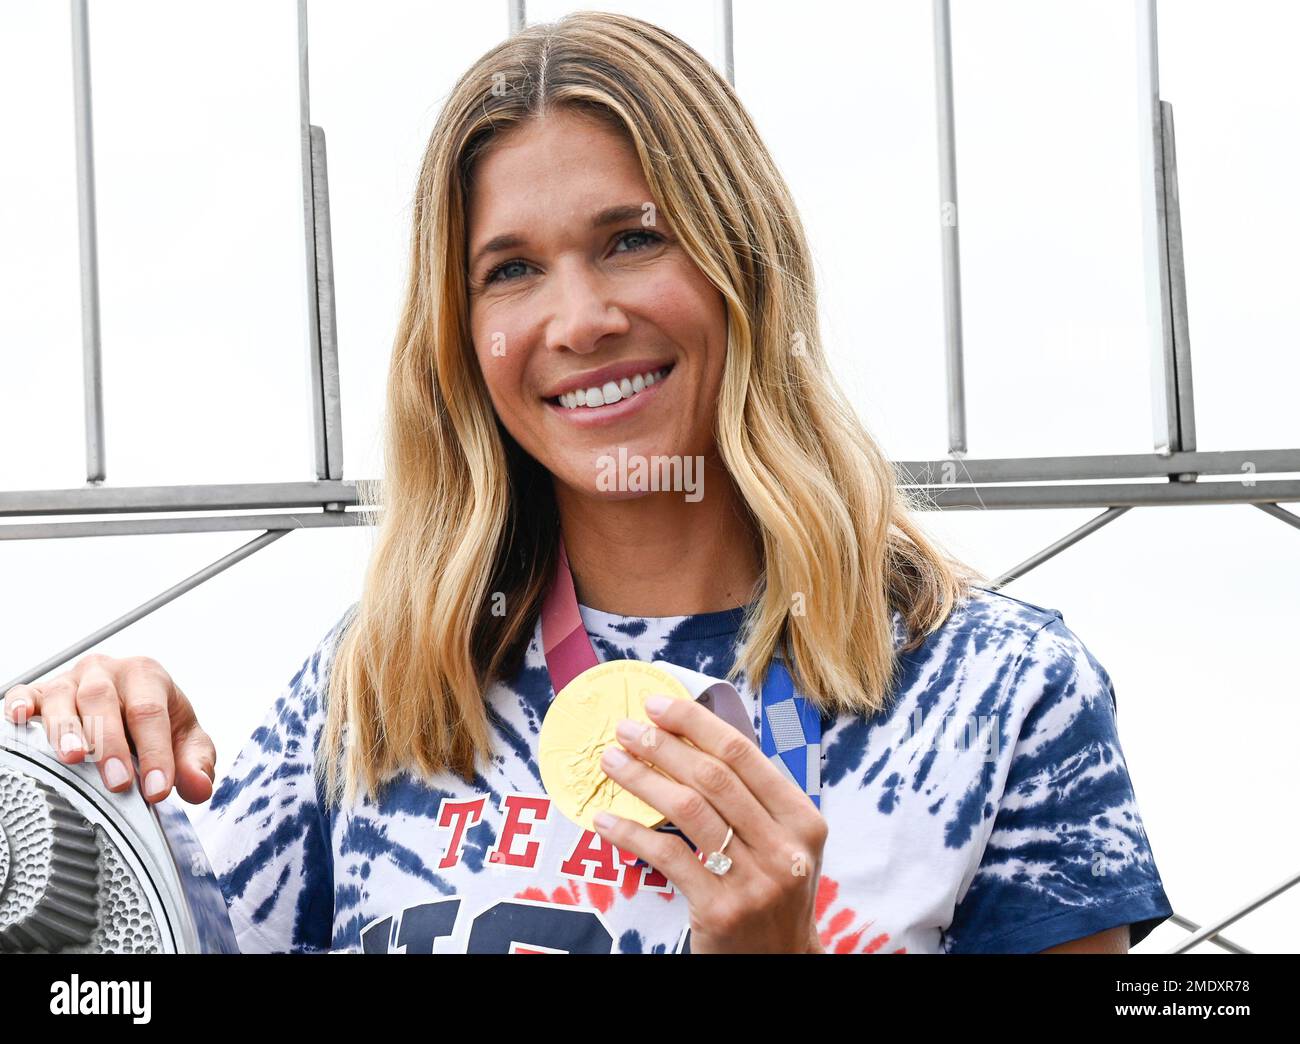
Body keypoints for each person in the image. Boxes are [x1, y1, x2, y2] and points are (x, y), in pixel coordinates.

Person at [2, 11, 1172, 954]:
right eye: (511, 269)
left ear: (742, 265)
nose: (582, 319)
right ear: (461, 336)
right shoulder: (379, 684)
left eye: (632, 239)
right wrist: (93, 789)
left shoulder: (998, 692)